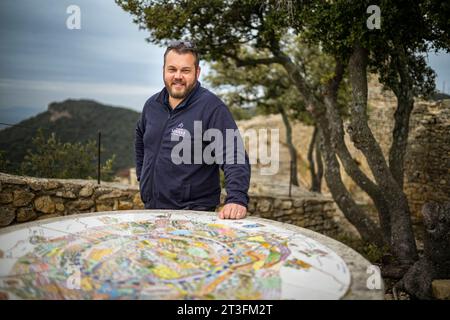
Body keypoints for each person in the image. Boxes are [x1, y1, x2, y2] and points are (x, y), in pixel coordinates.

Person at [135, 40, 251, 219]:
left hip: (194, 214)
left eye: (185, 70)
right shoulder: (152, 105)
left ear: (197, 72)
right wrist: (142, 178)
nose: (178, 76)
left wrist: (237, 198)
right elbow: (141, 140)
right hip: (152, 210)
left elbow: (233, 153)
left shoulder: (212, 108)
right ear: (163, 71)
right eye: (172, 69)